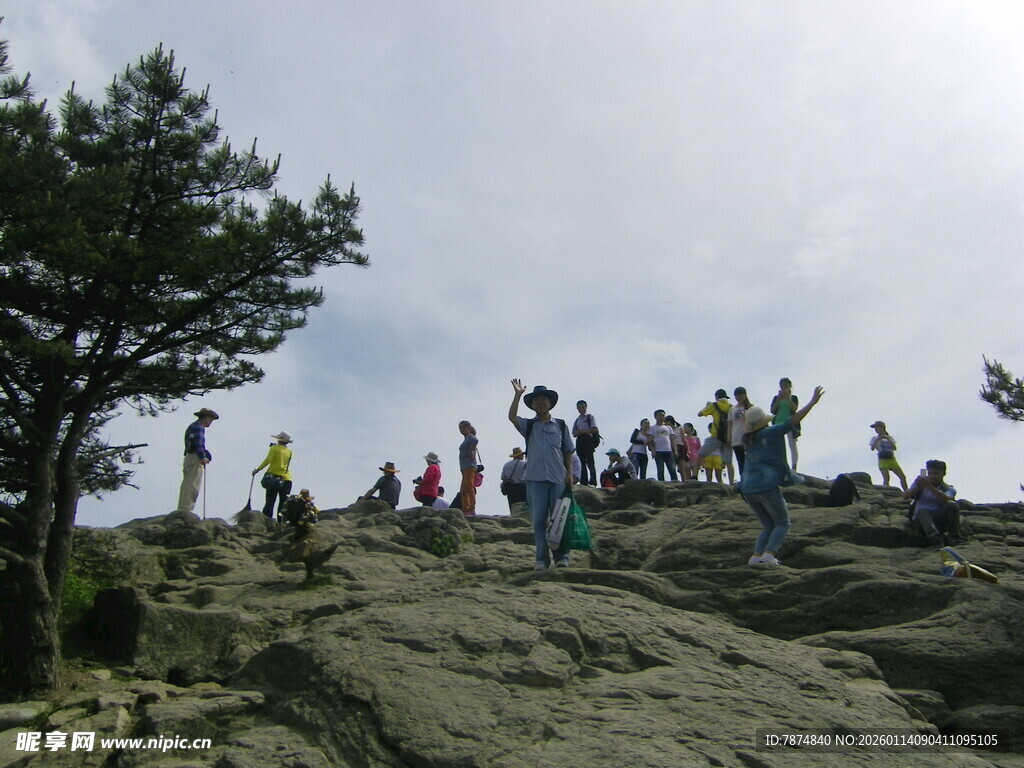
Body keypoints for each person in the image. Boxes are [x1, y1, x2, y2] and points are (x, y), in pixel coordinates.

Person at [739, 386, 825, 568]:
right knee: (782, 523)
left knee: (768, 525)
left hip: (747, 488)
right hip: (765, 485)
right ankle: (769, 556)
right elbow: (792, 420)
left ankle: (755, 557)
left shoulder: (749, 440)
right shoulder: (769, 433)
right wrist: (812, 402)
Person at [508, 380, 575, 570]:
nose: (540, 403)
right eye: (536, 401)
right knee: (538, 521)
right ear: (532, 405)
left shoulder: (561, 426)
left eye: (543, 400)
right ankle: (541, 560)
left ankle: (562, 557)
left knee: (559, 520)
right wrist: (517, 395)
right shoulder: (529, 426)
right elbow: (512, 417)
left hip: (558, 479)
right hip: (535, 479)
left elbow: (568, 451)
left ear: (550, 403)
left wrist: (570, 473)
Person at [902, 459, 962, 547]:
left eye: (936, 473)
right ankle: (935, 538)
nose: (933, 476)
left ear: (943, 474)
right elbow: (905, 496)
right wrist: (917, 487)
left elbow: (945, 499)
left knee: (952, 505)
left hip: (939, 520)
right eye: (930, 473)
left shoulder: (948, 488)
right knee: (923, 511)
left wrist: (929, 486)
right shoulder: (921, 485)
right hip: (921, 521)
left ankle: (954, 536)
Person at [176, 408, 218, 513]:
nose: (210, 422)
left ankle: (183, 506)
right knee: (193, 483)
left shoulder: (193, 426)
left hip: (189, 457)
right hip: (194, 457)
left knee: (187, 482)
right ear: (206, 417)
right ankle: (186, 509)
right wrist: (202, 457)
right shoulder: (199, 427)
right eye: (211, 420)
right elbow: (198, 443)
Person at [251, 431, 294, 520]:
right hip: (287, 479)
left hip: (274, 478)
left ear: (279, 440)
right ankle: (281, 522)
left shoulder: (274, 448)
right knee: (283, 503)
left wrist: (258, 469)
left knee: (270, 501)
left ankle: (267, 521)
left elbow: (268, 460)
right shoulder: (290, 451)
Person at [698, 389, 733, 484]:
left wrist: (708, 407)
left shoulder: (714, 405)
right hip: (728, 437)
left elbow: (700, 414)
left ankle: (694, 477)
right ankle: (731, 483)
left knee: (700, 455)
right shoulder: (731, 407)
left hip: (716, 436)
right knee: (729, 462)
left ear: (716, 397)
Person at [770, 377, 800, 470]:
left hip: (790, 423)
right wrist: (779, 399)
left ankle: (794, 466)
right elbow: (772, 410)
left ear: (790, 386)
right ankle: (780, 465)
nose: (783, 388)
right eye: (782, 386)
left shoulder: (793, 398)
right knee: (778, 445)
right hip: (778, 423)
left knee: (792, 445)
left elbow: (794, 409)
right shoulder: (776, 398)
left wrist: (787, 398)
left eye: (785, 386)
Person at [869, 421, 908, 491]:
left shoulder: (889, 437)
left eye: (877, 427)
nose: (875, 429)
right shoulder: (874, 438)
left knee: (902, 476)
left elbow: (894, 448)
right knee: (886, 478)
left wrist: (887, 439)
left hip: (891, 458)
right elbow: (872, 448)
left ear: (882, 427)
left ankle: (906, 491)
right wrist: (878, 439)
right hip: (882, 459)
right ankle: (886, 493)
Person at [572, 400, 599, 486]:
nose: (582, 409)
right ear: (577, 409)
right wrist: (579, 433)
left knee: (590, 461)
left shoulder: (589, 417)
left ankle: (593, 481)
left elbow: (595, 429)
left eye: (583, 407)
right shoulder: (577, 420)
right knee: (581, 462)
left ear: (586, 407)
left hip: (588, 439)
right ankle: (584, 481)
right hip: (580, 440)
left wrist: (582, 432)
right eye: (580, 407)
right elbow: (574, 433)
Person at [647, 410, 678, 481]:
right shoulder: (652, 428)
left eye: (663, 415)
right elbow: (650, 441)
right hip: (658, 451)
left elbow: (672, 440)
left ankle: (675, 483)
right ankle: (662, 484)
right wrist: (653, 451)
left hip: (668, 450)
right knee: (660, 470)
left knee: (672, 469)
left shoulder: (669, 428)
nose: (661, 417)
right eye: (659, 415)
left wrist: (675, 450)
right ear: (655, 417)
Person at [728, 387, 752, 475]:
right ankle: (743, 479)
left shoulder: (751, 407)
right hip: (736, 437)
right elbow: (730, 424)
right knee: (741, 461)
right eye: (737, 395)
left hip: (748, 437)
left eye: (740, 395)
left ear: (745, 395)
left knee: (751, 459)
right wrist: (729, 437)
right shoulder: (732, 409)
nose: (739, 397)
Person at [457, 421, 479, 516]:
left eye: (464, 427)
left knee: (469, 487)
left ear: (469, 427)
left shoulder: (470, 437)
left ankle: (470, 507)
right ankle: (465, 507)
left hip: (469, 465)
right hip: (464, 466)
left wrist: (471, 451)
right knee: (463, 489)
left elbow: (475, 440)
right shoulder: (466, 439)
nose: (462, 430)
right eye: (460, 428)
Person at [501, 447, 528, 512]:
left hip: (511, 488)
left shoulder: (507, 465)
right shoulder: (525, 464)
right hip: (522, 487)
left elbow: (503, 477)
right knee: (523, 507)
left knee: (513, 507)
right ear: (520, 455)